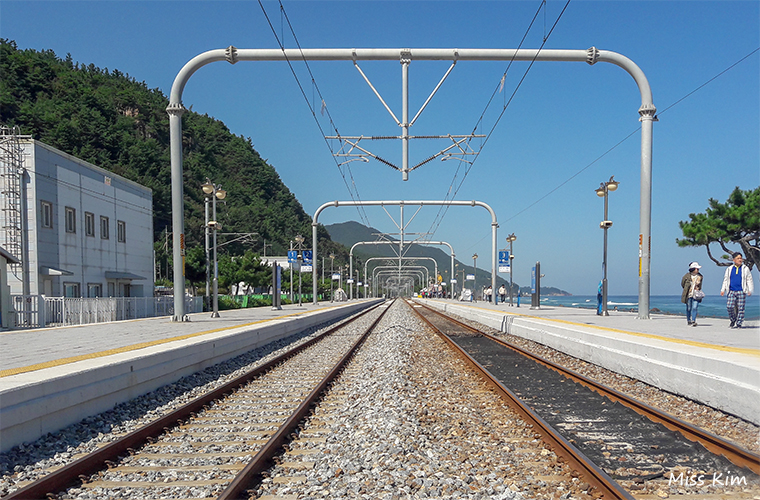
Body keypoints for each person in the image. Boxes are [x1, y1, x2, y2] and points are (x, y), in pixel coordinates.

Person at [720, 252, 754, 328]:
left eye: (741, 258)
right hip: (731, 290)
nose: (740, 260)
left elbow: (749, 279)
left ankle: (739, 323)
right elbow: (725, 280)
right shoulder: (729, 269)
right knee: (730, 306)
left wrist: (750, 289)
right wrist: (723, 289)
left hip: (741, 290)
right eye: (738, 258)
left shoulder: (745, 269)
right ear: (734, 260)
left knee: (741, 308)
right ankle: (733, 319)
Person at [681, 261, 703, 326]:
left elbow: (700, 286)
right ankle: (688, 320)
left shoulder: (700, 276)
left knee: (695, 307)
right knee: (689, 308)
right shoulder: (686, 276)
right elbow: (682, 284)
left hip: (696, 294)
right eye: (697, 269)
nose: (698, 270)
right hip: (688, 294)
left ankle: (693, 320)